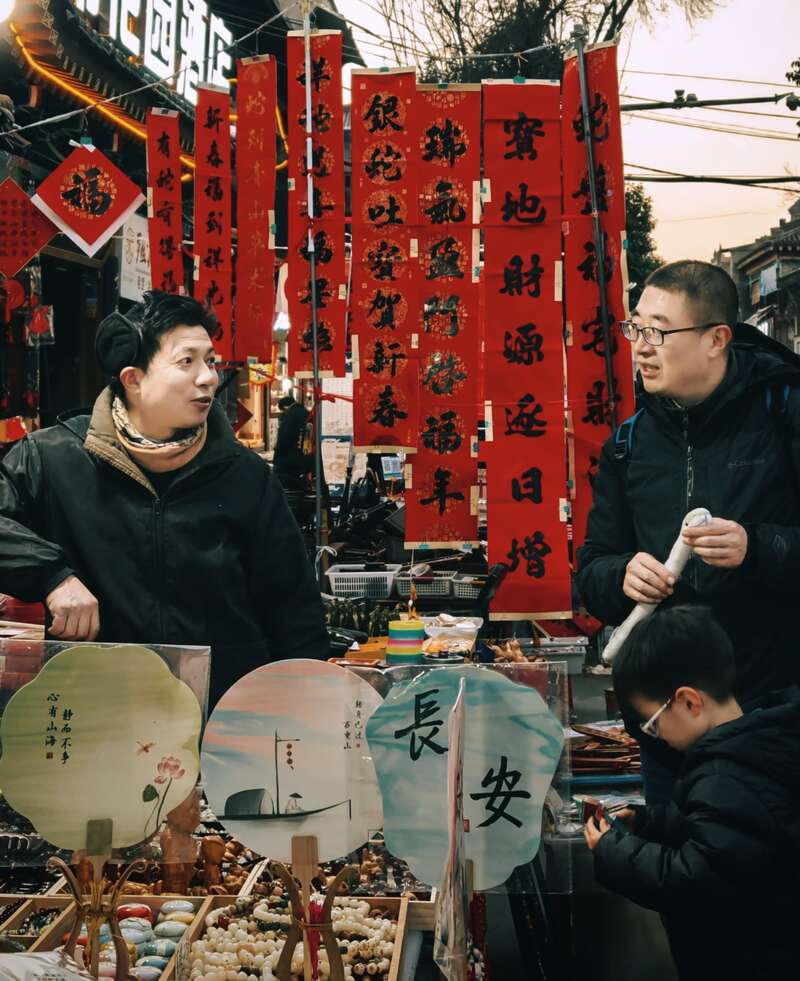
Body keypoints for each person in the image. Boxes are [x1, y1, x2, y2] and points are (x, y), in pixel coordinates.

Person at [0, 291, 329, 707]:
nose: (208, 377)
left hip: (225, 717)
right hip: (99, 716)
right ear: (133, 379)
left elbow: (294, 609)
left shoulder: (244, 475)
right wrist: (52, 576)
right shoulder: (53, 459)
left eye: (209, 361)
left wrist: (307, 711)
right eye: (186, 361)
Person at [576, 259, 800, 800]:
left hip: (773, 719)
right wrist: (622, 576)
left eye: (658, 332)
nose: (641, 347)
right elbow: (592, 570)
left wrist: (756, 546)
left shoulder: (783, 414)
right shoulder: (628, 444)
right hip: (667, 726)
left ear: (716, 339)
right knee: (676, 848)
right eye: (635, 328)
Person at [584, 605, 800, 981]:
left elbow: (694, 881)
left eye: (652, 723)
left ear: (688, 702)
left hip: (749, 959)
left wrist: (612, 853)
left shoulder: (727, 775)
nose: (656, 736)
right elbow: (722, 835)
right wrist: (649, 822)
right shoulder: (752, 746)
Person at [272, 394, 310, 492]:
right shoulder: (305, 412)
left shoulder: (290, 415)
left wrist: (277, 455)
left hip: (289, 460)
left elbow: (284, 438)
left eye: (282, 411)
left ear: (285, 407)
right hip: (303, 456)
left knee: (284, 486)